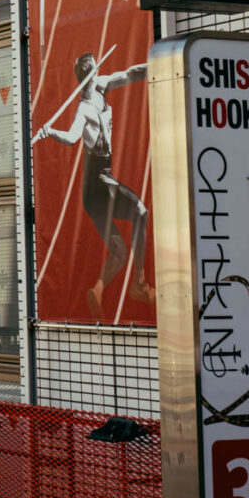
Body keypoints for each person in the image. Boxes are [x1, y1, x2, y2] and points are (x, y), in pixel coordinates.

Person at [36, 50, 153, 316]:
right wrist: (50, 131)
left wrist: (155, 64)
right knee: (141, 212)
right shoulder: (84, 110)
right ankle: (140, 283)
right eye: (95, 69)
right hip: (98, 181)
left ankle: (97, 290)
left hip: (96, 187)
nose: (100, 72)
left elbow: (130, 73)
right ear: (89, 76)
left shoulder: (100, 86)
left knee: (119, 252)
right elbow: (71, 137)